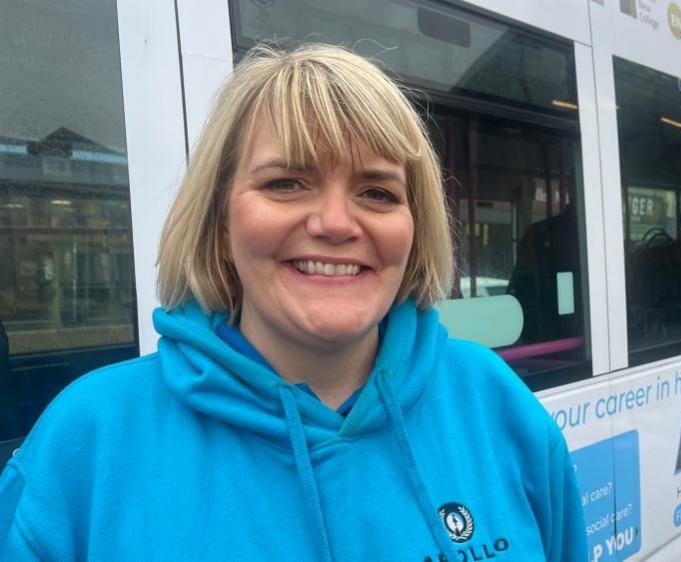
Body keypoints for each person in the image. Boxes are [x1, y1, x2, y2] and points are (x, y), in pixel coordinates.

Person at [0, 44, 586, 561]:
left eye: (377, 192)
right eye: (286, 183)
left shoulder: (496, 403)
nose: (335, 223)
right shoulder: (87, 443)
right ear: (219, 220)